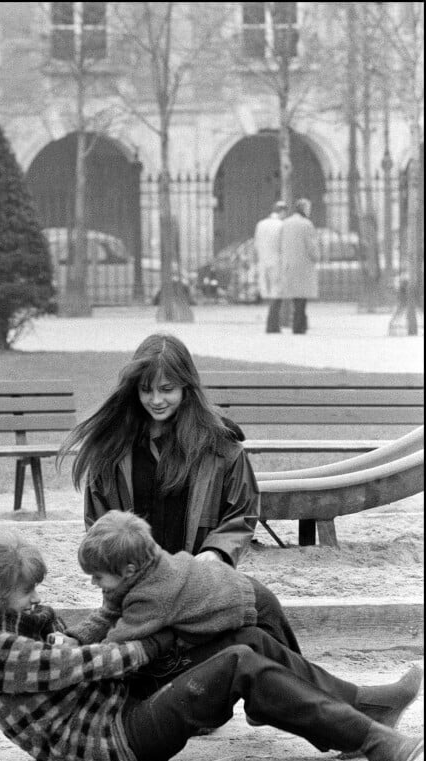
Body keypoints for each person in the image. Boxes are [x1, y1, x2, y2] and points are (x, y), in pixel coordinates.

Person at [0, 526, 424, 761]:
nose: (36, 601)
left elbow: (73, 648)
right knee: (238, 664)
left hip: (117, 704)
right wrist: (161, 640)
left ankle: (367, 708)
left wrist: (64, 630)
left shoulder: (9, 622)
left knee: (247, 639)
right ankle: (371, 741)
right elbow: (91, 662)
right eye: (26, 593)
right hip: (109, 744)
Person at [56, 332, 301, 655]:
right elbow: (101, 528)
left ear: (187, 387)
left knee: (263, 628)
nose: (156, 400)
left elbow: (241, 513)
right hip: (139, 590)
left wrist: (216, 553)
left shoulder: (221, 447)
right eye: (146, 390)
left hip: (198, 585)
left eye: (167, 389)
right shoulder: (111, 451)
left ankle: (326, 700)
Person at [66, 509, 257, 645]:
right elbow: (109, 613)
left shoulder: (152, 594)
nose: (93, 582)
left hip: (250, 606)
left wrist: (77, 658)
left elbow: (117, 644)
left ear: (129, 570)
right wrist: (76, 637)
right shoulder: (140, 568)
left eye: (98, 576)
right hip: (234, 591)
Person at [274, 197, 319, 334]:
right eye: (308, 208)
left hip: (289, 263)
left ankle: (299, 323)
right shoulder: (306, 224)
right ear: (304, 209)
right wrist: (316, 257)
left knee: (295, 296)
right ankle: (299, 325)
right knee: (302, 297)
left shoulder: (285, 223)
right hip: (303, 265)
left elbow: (279, 243)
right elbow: (311, 246)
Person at [254, 200, 287, 333]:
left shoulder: (261, 224)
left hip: (263, 261)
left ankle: (272, 323)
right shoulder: (281, 225)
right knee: (277, 293)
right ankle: (273, 324)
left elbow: (256, 243)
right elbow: (283, 245)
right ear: (282, 211)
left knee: (268, 292)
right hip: (276, 261)